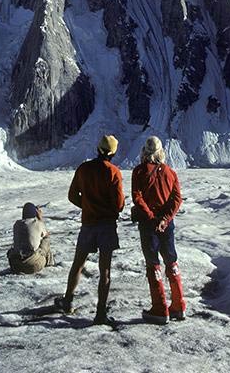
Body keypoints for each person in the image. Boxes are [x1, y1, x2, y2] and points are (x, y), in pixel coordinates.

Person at [57, 134, 125, 324]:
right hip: (106, 226)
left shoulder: (84, 168)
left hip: (88, 224)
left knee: (78, 264)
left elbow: (72, 195)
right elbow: (119, 204)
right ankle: (100, 314)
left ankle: (68, 300)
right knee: (105, 271)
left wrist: (87, 206)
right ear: (113, 152)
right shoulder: (113, 172)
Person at [131, 136, 186, 324]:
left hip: (148, 225)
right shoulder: (170, 173)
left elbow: (137, 197)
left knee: (153, 263)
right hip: (166, 224)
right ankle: (179, 305)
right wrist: (165, 219)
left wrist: (151, 217)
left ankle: (160, 308)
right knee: (171, 260)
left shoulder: (139, 172)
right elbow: (177, 198)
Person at [7, 202, 55, 274]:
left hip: (16, 265)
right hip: (33, 265)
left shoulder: (17, 224)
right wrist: (40, 218)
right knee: (46, 239)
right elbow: (46, 234)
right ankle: (49, 264)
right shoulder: (38, 224)